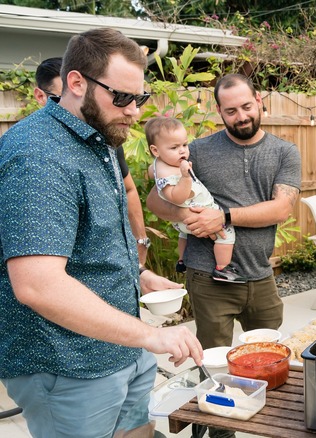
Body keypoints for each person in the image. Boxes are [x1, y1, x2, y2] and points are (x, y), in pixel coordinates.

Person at [0, 28, 203, 438]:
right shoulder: (38, 156)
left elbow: (89, 239)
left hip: (122, 343)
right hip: (67, 362)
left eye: (140, 98)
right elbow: (38, 285)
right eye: (122, 97)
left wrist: (137, 274)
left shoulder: (100, 136)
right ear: (76, 83)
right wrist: (150, 335)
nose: (134, 112)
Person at [147, 73, 301, 349]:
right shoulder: (196, 151)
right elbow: (154, 201)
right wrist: (187, 216)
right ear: (219, 111)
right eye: (230, 111)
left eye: (246, 107)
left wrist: (223, 217)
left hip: (261, 275)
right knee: (212, 360)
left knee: (265, 356)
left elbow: (281, 209)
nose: (241, 116)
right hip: (208, 279)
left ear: (258, 100)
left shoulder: (284, 152)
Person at [33, 56, 152, 264]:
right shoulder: (36, 154)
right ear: (40, 97)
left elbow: (129, 189)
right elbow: (37, 277)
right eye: (61, 97)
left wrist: (141, 241)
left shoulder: (104, 139)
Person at [145, 116, 246, 283]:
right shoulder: (172, 173)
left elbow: (152, 172)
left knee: (184, 236)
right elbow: (177, 197)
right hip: (196, 214)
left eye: (184, 145)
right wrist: (185, 177)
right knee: (226, 233)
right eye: (174, 147)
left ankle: (182, 260)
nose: (183, 151)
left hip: (182, 224)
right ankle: (223, 268)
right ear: (156, 150)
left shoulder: (161, 164)